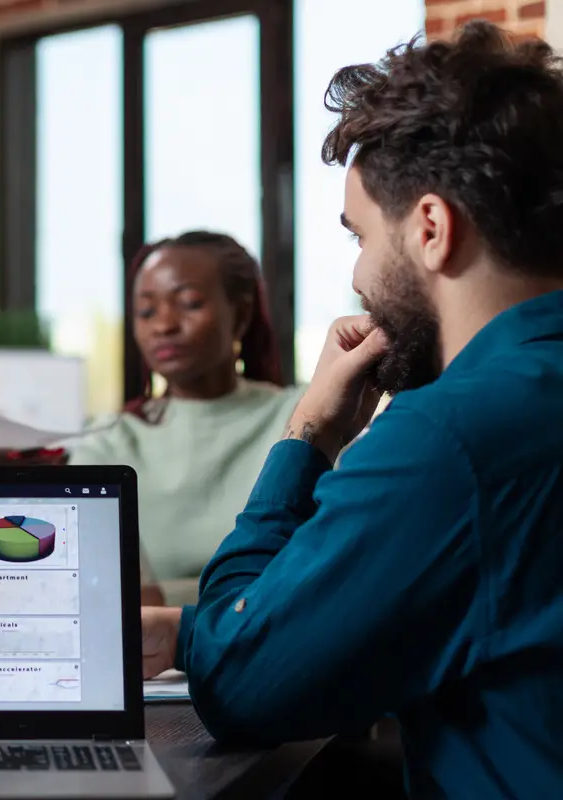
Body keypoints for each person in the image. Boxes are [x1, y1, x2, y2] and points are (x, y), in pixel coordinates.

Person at [142, 22, 563, 797]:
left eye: (359, 235)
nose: (359, 276)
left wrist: (310, 434)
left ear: (432, 229)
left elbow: (245, 682)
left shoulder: (449, 435)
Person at [0, 232, 302, 606]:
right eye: (146, 311)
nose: (164, 325)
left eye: (188, 303)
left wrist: (166, 599)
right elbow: (102, 594)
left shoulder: (302, 417)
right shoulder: (109, 440)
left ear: (241, 313)